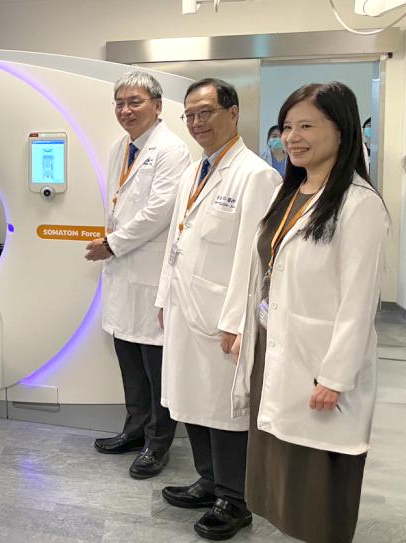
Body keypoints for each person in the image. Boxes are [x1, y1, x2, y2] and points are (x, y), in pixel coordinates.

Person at [230, 82, 387, 543]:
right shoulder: (290, 192)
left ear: (342, 131)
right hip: (274, 348)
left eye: (306, 126)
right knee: (280, 473)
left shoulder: (358, 204)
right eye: (286, 127)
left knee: (317, 482)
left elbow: (359, 301)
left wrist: (335, 377)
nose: (291, 138)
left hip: (319, 365)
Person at [154, 78, 280, 540]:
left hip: (222, 317)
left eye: (205, 112)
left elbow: (254, 260)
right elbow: (176, 241)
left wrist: (236, 322)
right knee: (191, 399)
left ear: (233, 112)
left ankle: (234, 500)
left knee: (225, 409)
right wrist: (163, 297)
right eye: (189, 115)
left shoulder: (256, 176)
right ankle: (208, 481)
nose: (196, 122)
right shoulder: (195, 170)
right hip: (184, 308)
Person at [85, 71, 189, 479]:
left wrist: (112, 244)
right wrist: (112, 242)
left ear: (158, 106)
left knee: (156, 366)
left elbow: (158, 212)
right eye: (120, 103)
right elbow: (117, 204)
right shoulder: (120, 147)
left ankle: (157, 445)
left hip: (149, 272)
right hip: (123, 273)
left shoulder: (172, 150)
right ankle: (133, 431)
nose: (125, 110)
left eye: (135, 102)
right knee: (129, 360)